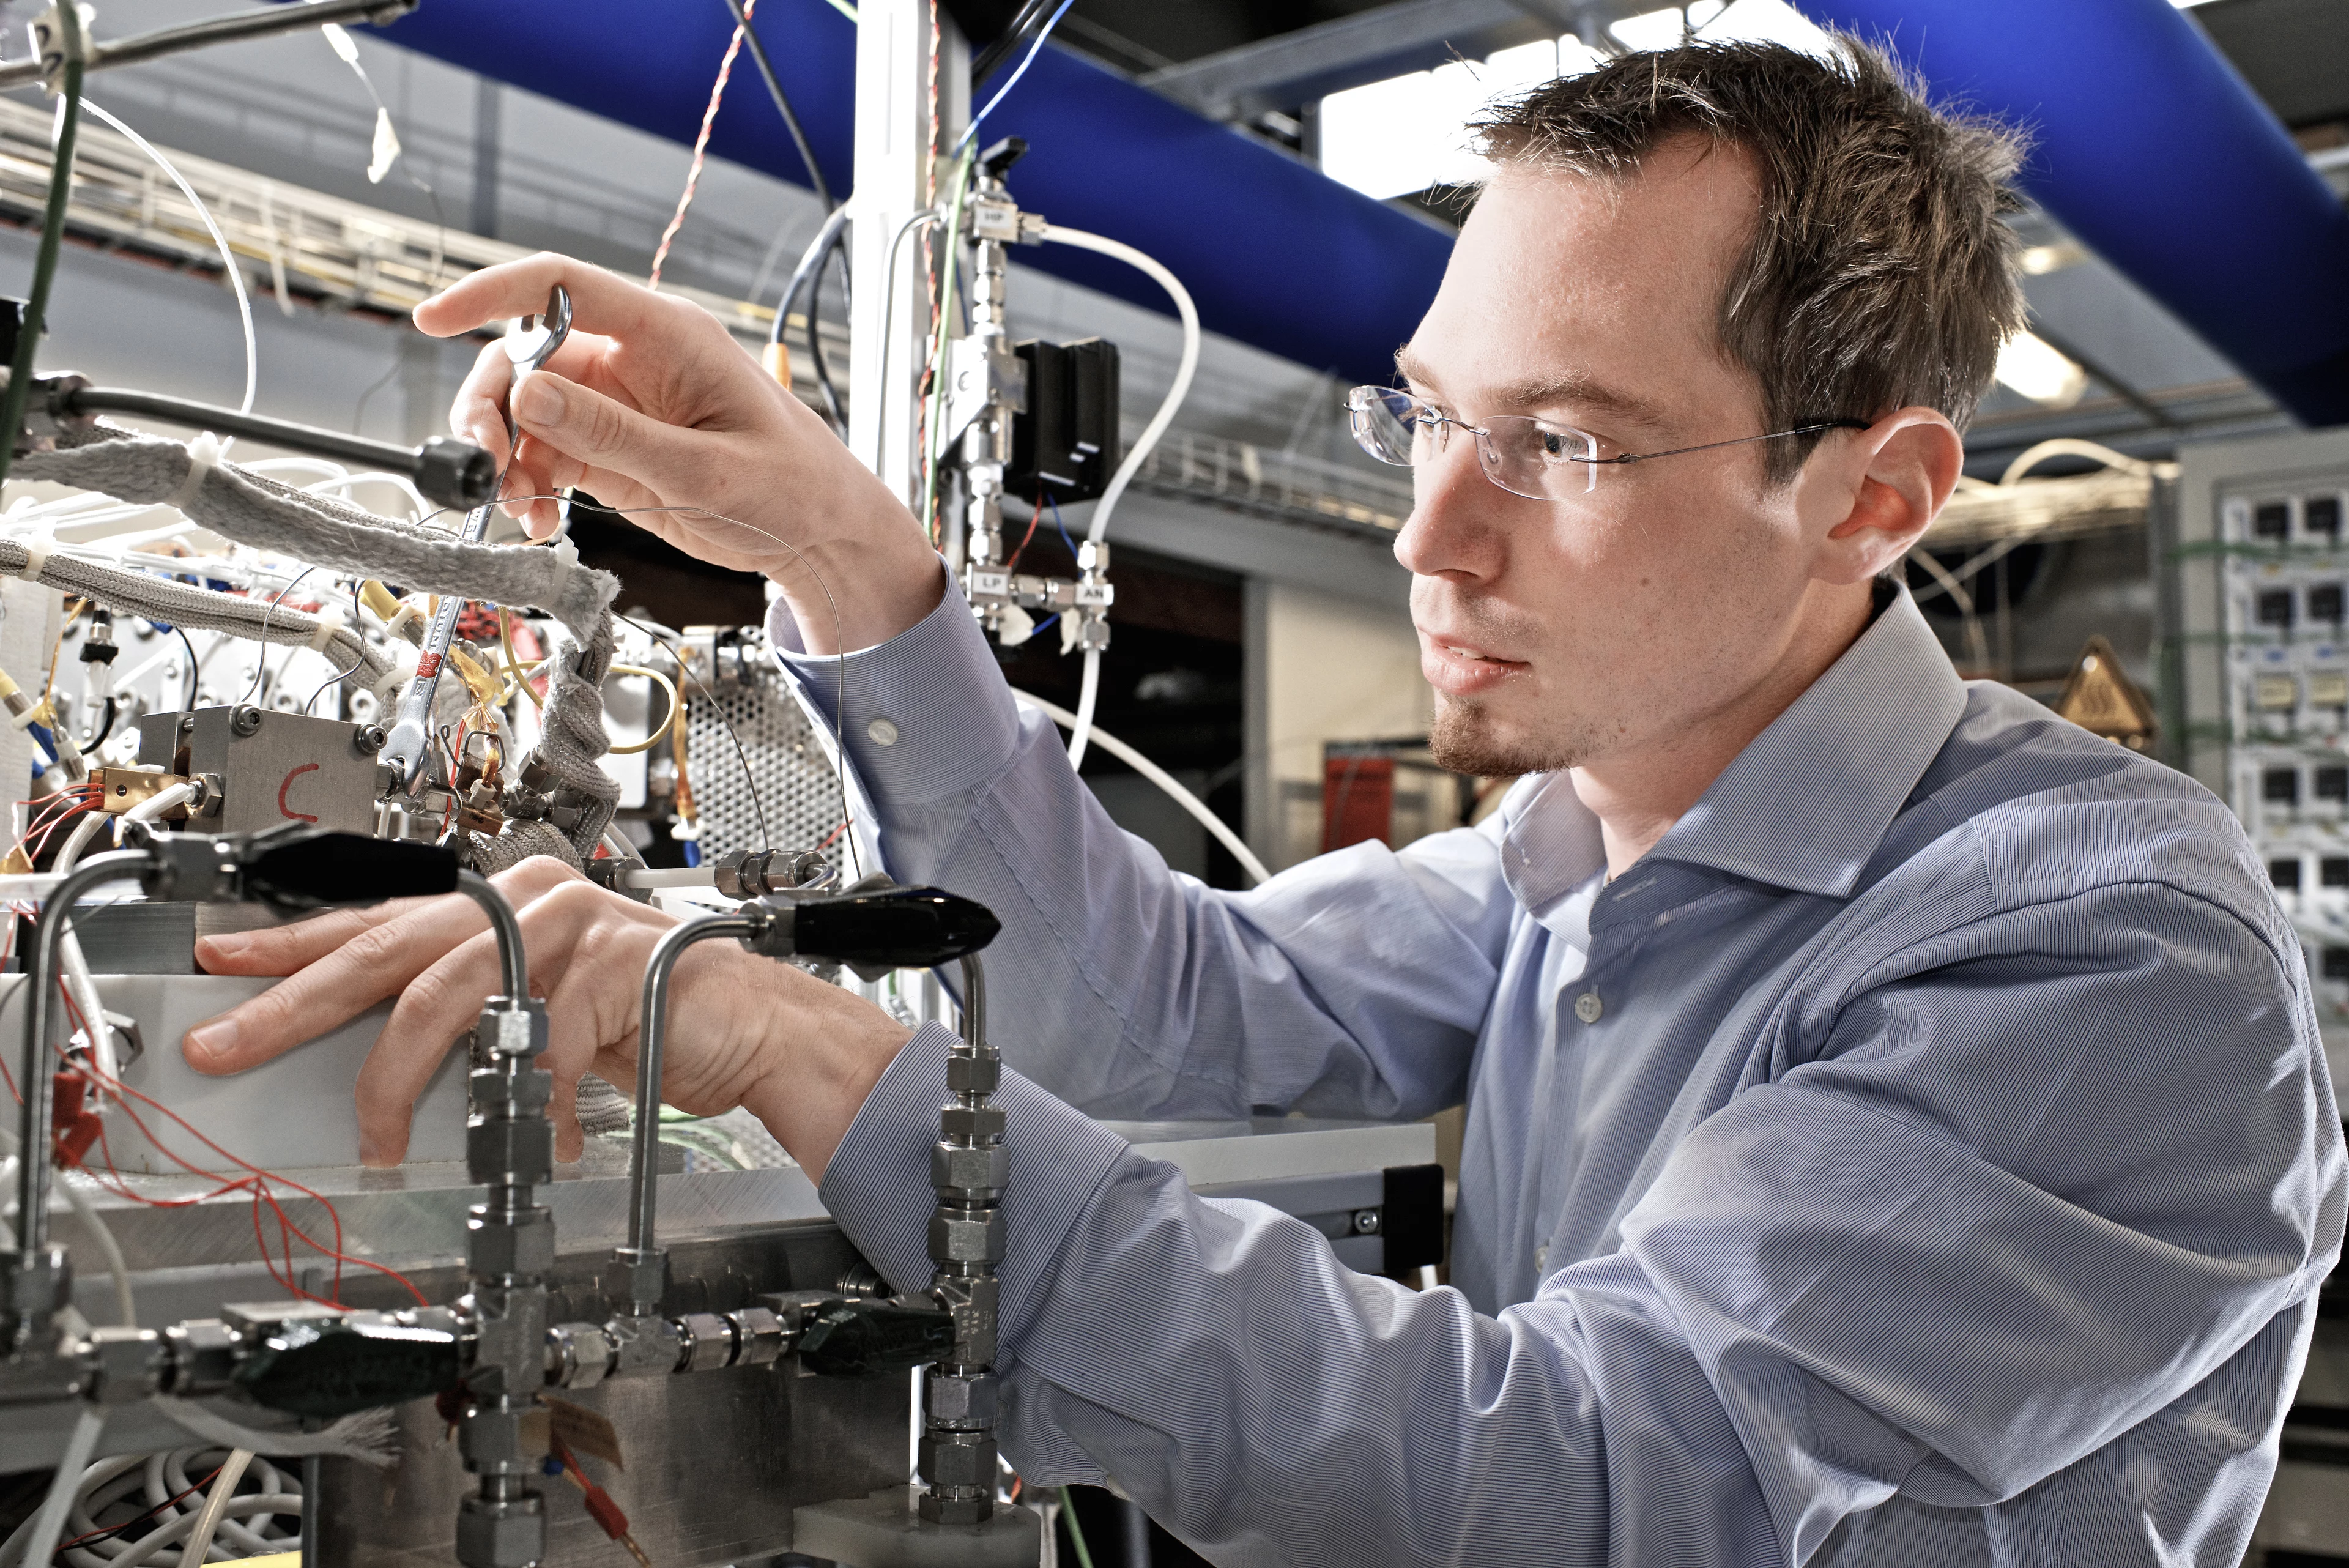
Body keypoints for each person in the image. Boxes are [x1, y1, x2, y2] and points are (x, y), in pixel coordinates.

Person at [180, 38, 2343, 1567]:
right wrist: (848, 558)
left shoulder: (2094, 945)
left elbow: (1588, 1493)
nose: (1431, 536)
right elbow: (1168, 1010)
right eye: (1430, 420)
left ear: (1872, 494)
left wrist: (793, 1036)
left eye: (1563, 445)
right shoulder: (1576, 845)